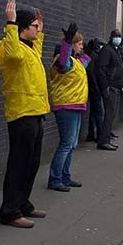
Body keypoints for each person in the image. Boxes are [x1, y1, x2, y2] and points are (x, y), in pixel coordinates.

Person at [0, 0, 48, 229]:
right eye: (34, 26)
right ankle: (10, 211)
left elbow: (34, 48)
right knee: (19, 164)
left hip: (36, 112)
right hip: (21, 114)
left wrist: (41, 31)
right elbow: (14, 54)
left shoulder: (30, 48)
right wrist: (10, 23)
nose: (37, 29)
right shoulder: (10, 48)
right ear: (23, 28)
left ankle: (23, 203)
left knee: (31, 163)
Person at [47, 25, 91, 192]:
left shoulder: (75, 61)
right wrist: (66, 42)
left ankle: (64, 176)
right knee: (66, 143)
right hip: (66, 106)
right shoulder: (62, 61)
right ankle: (55, 178)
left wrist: (89, 54)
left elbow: (84, 64)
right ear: (72, 44)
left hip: (75, 105)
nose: (82, 47)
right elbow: (63, 64)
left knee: (71, 144)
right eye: (79, 44)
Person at [95, 29, 123, 151]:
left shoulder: (115, 51)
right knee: (109, 114)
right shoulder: (108, 51)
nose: (118, 38)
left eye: (119, 36)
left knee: (111, 115)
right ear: (112, 37)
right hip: (110, 87)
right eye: (116, 36)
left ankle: (105, 138)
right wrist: (105, 86)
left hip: (114, 86)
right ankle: (104, 140)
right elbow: (100, 69)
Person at [85, 38, 105, 142]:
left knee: (94, 112)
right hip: (95, 88)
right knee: (99, 112)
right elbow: (93, 73)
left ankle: (92, 134)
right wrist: (97, 87)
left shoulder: (90, 55)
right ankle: (100, 135)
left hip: (92, 88)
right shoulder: (94, 56)